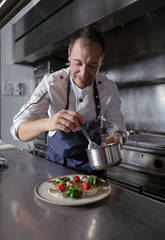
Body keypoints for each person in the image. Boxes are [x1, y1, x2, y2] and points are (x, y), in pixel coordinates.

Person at [10, 27, 127, 178]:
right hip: (57, 170)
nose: (84, 73)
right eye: (78, 63)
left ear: (101, 61)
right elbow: (18, 129)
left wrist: (118, 137)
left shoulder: (108, 88)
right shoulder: (51, 83)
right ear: (69, 55)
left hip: (94, 171)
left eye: (92, 65)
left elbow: (119, 128)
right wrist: (49, 123)